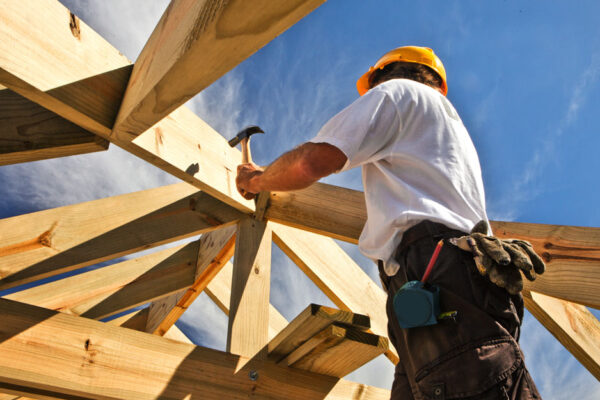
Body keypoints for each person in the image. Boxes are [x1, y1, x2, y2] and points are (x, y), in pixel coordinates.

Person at [236, 46, 542, 399]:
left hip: (437, 276)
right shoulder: (444, 127)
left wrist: (256, 180)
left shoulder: (398, 94)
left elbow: (310, 162)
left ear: (385, 74)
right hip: (445, 284)